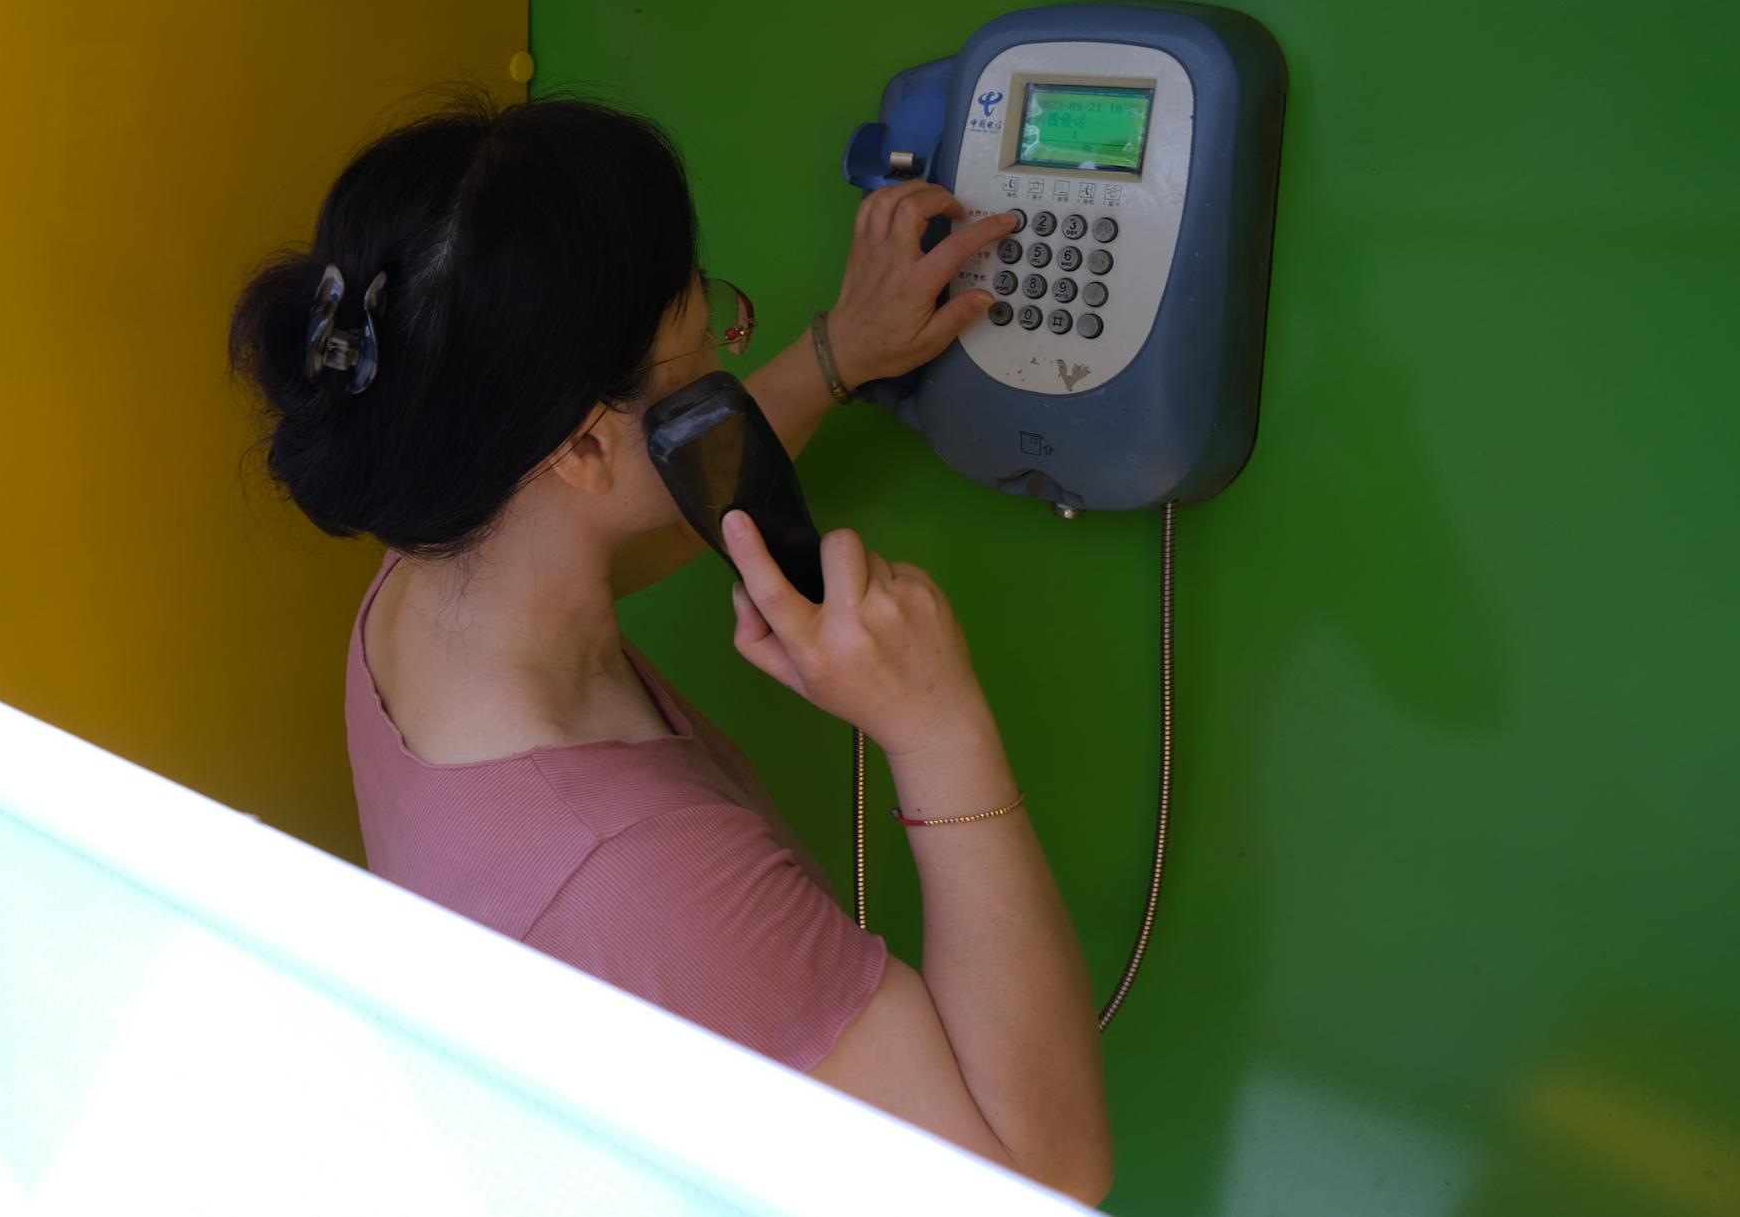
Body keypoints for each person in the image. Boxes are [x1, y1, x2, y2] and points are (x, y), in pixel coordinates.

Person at [229, 93, 1113, 1202]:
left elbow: (635, 507)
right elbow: (1042, 1176)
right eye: (707, 341)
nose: (722, 361)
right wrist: (940, 728)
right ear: (584, 448)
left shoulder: (430, 575)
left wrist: (835, 356)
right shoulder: (639, 879)